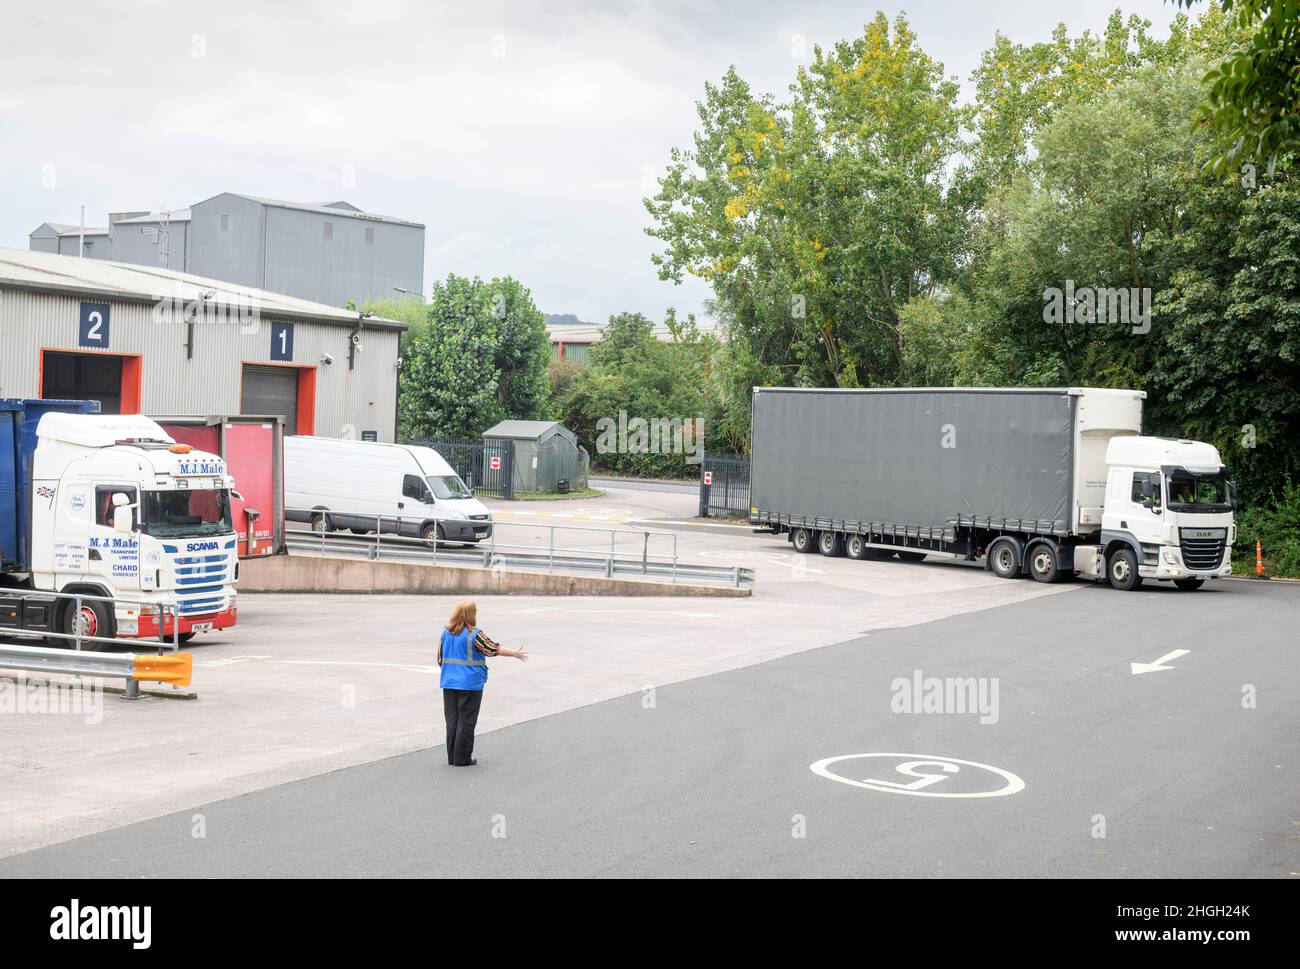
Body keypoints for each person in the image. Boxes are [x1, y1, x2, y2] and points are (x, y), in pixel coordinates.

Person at [437, 601, 528, 767]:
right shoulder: (474, 634)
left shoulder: (445, 632)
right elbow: (492, 649)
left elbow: (440, 658)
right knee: (466, 721)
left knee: (452, 720)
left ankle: (452, 757)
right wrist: (514, 653)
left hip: (449, 683)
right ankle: (462, 758)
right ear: (472, 614)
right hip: (470, 684)